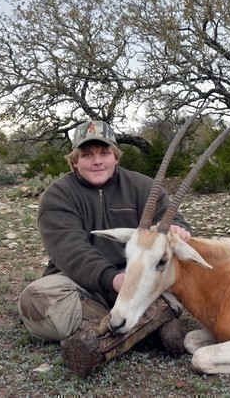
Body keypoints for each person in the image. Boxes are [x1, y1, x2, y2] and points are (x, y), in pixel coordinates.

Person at [18, 120, 192, 349]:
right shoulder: (57, 195)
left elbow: (172, 217)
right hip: (82, 285)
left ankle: (100, 334)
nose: (97, 161)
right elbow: (70, 250)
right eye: (87, 155)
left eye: (104, 152)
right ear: (75, 161)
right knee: (34, 299)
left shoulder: (142, 186)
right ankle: (148, 328)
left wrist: (177, 228)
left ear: (116, 157)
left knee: (178, 278)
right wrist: (114, 279)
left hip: (137, 279)